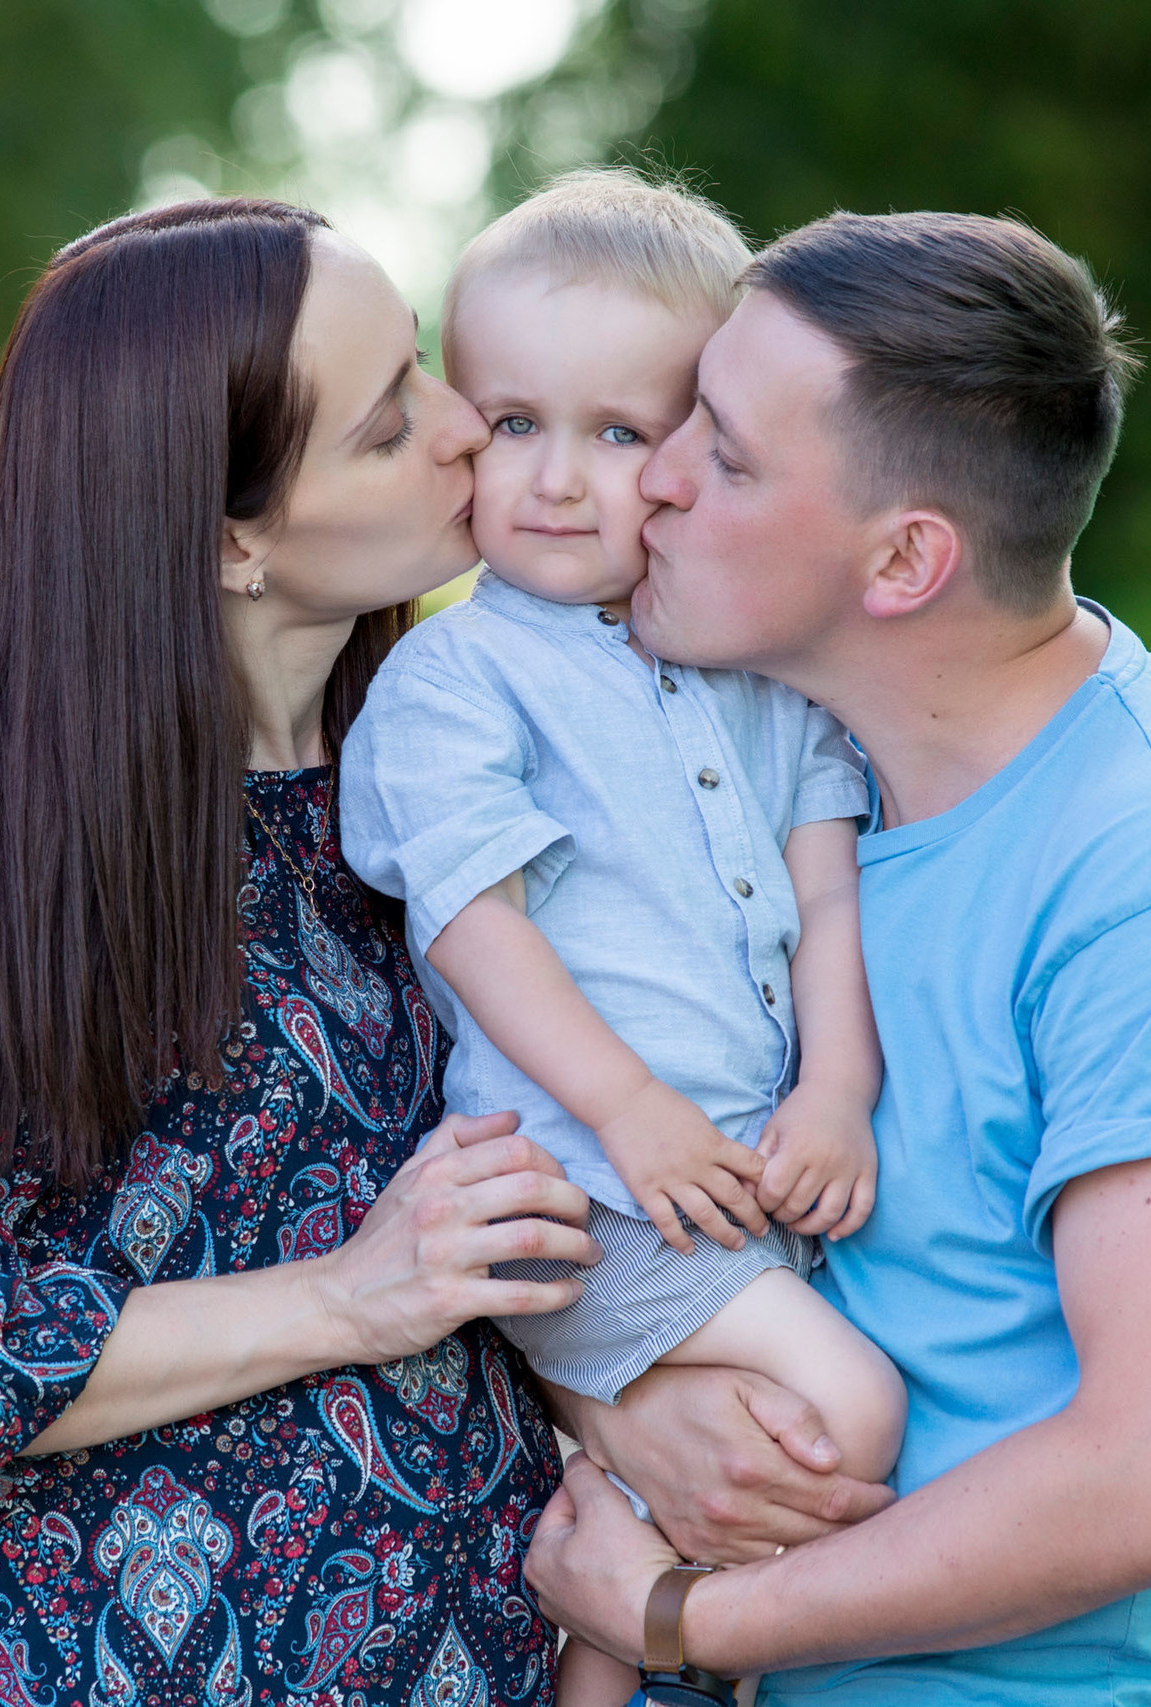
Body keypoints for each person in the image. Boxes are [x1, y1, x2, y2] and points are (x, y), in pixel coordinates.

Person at [0, 198, 603, 1706]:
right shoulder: (27, 858)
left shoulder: (455, 770)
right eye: (386, 429)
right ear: (232, 533)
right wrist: (342, 1297)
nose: (466, 430)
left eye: (427, 367)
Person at [525, 210, 1151, 1706]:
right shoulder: (799, 788)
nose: (649, 479)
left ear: (906, 559)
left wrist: (684, 1620)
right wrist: (619, 1407)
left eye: (721, 455)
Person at [340, 171, 907, 1707]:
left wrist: (839, 1088)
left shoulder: (748, 665)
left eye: (619, 431)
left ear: (699, 447)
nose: (557, 479)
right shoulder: (459, 682)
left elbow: (828, 889)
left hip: (733, 1181)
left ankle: (621, 1644)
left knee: (747, 1458)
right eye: (513, 421)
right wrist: (631, 1107)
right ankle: (635, 1617)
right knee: (844, 1411)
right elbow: (473, 923)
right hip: (588, 1195)